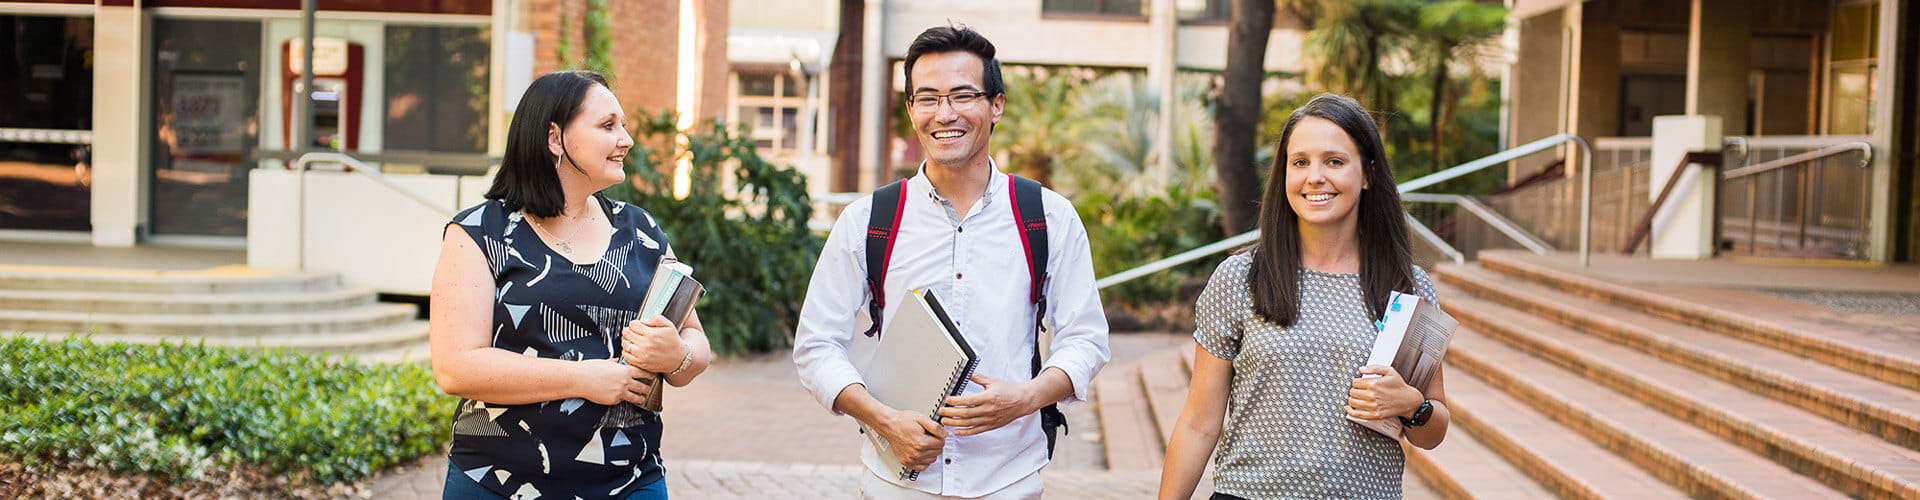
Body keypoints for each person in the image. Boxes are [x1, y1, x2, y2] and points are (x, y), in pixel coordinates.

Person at [791, 25, 1110, 499]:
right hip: (894, 482)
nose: (945, 114)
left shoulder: (1048, 217)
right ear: (910, 110)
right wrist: (884, 421)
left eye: (963, 96)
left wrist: (1025, 398)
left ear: (996, 105)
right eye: (928, 98)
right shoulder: (869, 221)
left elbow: (1085, 338)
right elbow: (816, 346)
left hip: (1008, 481)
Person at [428, 70, 713, 500]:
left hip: (631, 483)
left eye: (623, 125)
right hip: (498, 483)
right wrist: (583, 378)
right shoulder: (478, 232)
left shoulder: (643, 231)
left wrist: (678, 355)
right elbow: (456, 367)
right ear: (555, 138)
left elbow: (694, 341)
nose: (626, 140)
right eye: (607, 126)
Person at [1157, 93, 1451, 499]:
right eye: (1300, 162)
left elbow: (1432, 432)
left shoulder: (1408, 288)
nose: (1315, 176)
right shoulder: (1241, 277)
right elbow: (1198, 423)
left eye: (1334, 161)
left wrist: (1410, 404)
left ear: (1367, 174)